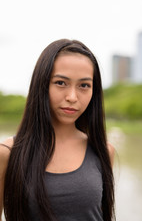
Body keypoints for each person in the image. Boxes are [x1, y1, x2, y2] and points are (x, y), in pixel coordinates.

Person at [0, 39, 115, 221]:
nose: (72, 97)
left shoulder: (103, 151)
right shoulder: (8, 154)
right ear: (42, 84)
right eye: (61, 83)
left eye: (84, 85)